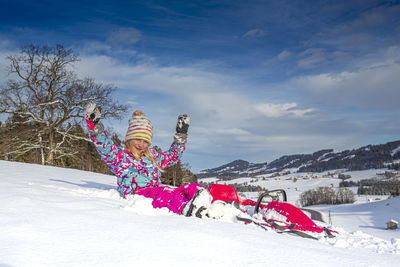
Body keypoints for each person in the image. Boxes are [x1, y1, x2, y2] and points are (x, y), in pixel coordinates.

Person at [85, 102, 213, 218]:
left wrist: (181, 135)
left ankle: (209, 205)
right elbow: (105, 147)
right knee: (166, 193)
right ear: (129, 139)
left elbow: (173, 156)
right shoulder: (120, 157)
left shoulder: (153, 157)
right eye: (137, 139)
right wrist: (95, 127)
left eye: (146, 141)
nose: (141, 144)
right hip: (139, 196)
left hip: (157, 192)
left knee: (189, 187)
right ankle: (186, 208)